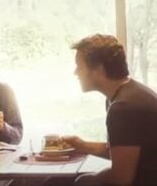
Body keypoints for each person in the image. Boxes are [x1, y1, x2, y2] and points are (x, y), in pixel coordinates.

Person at [62, 34, 157, 186]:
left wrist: (84, 181)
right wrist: (82, 146)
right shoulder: (130, 93)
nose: (76, 72)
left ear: (98, 69)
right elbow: (125, 152)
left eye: (79, 66)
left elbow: (121, 178)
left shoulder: (123, 108)